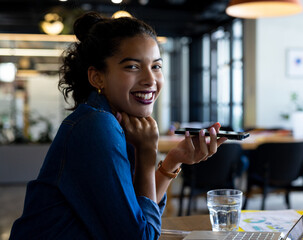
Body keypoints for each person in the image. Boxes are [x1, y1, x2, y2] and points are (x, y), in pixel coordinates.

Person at [9, 12, 227, 239]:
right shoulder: (97, 125)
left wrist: (173, 160)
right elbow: (139, 236)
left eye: (156, 66)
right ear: (97, 78)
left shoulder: (114, 120)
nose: (150, 79)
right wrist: (147, 154)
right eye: (133, 67)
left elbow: (137, 212)